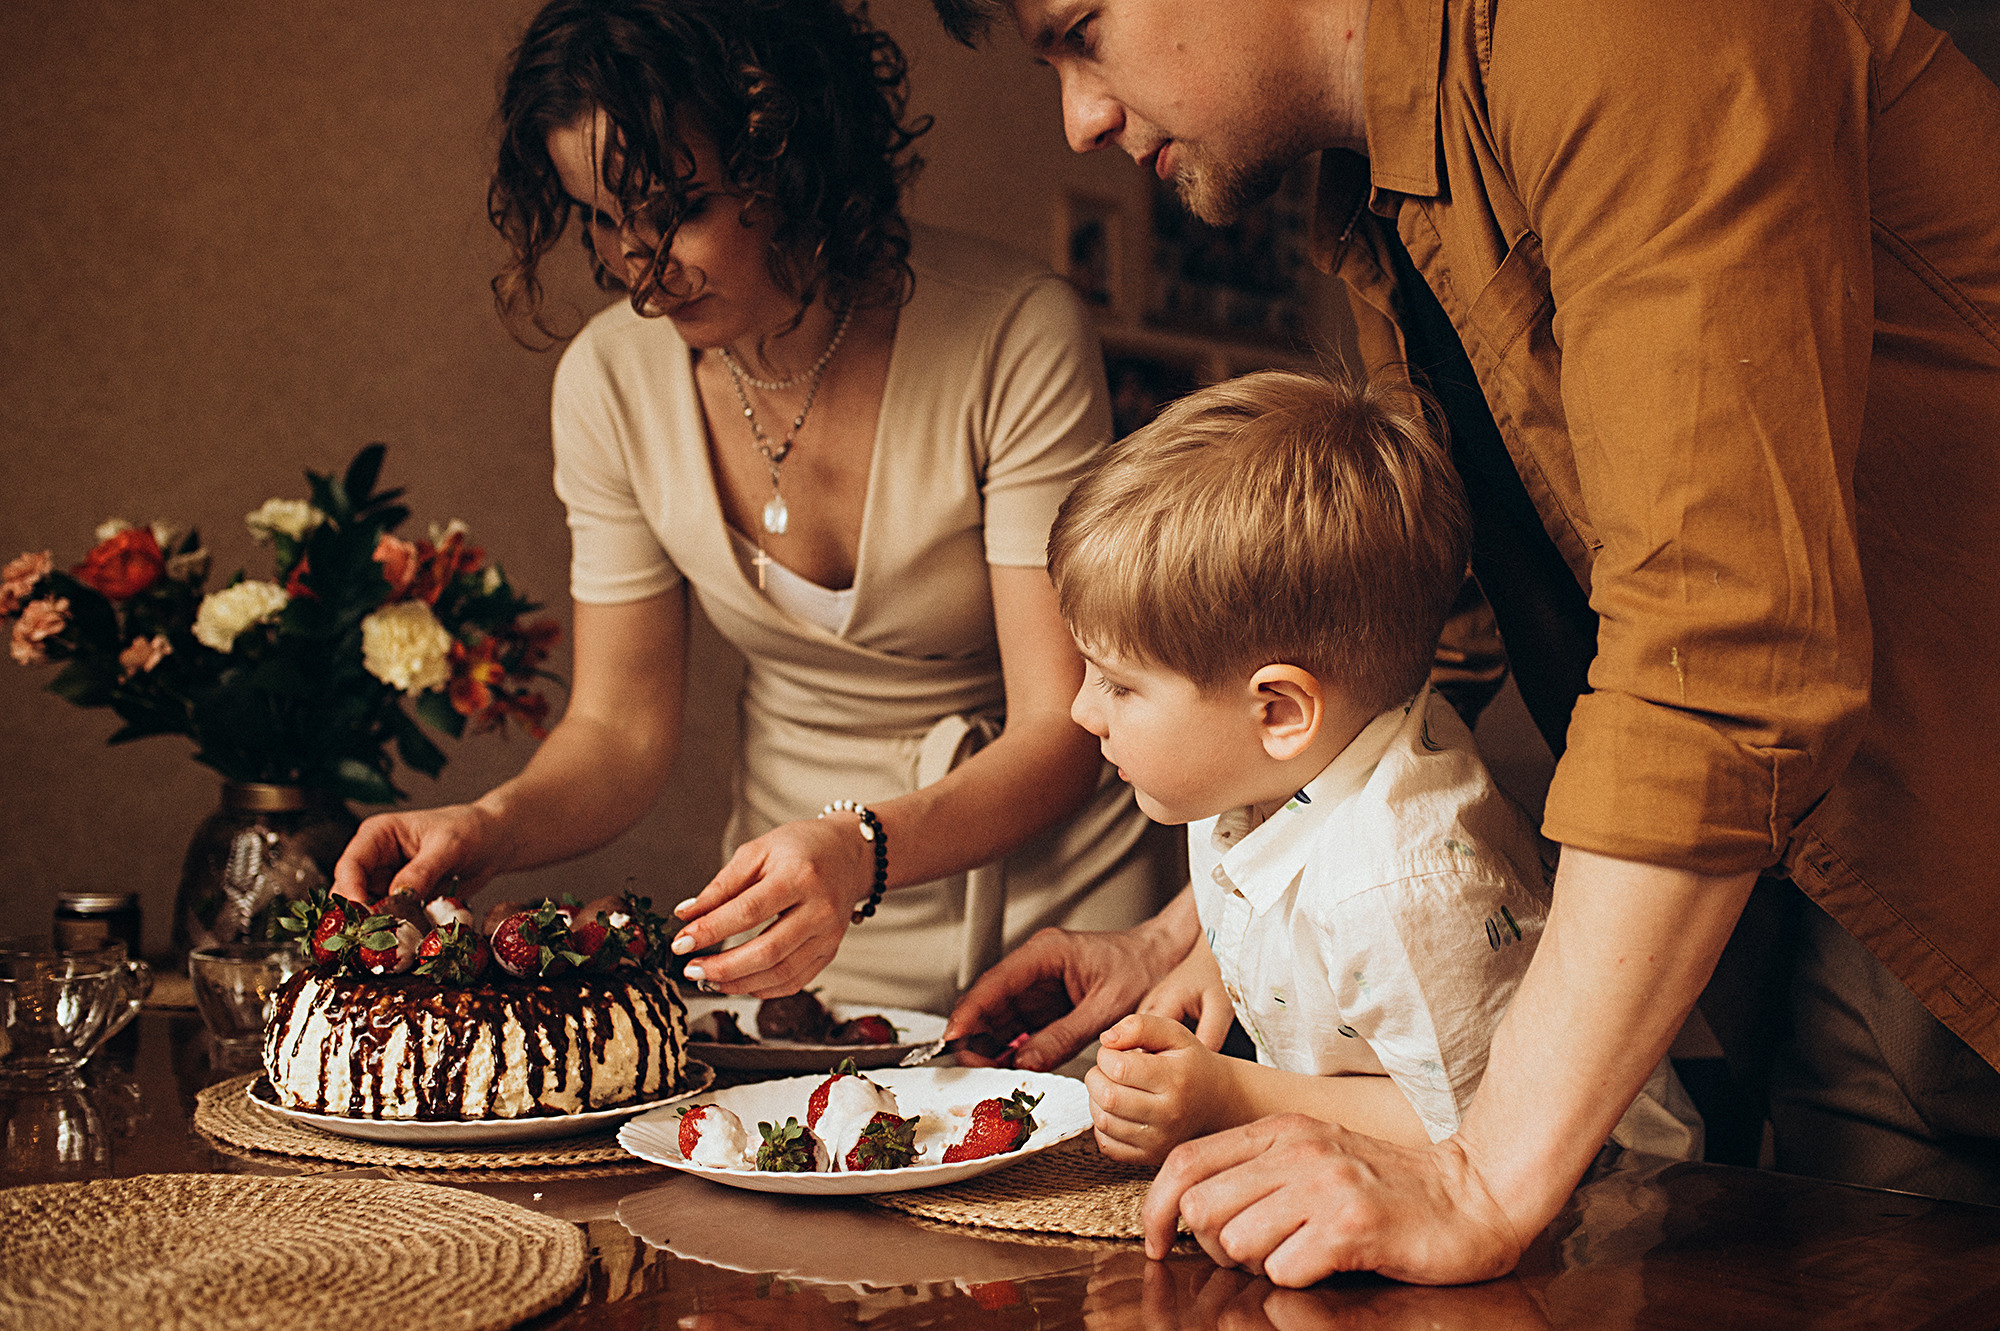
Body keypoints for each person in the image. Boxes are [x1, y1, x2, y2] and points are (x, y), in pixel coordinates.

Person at [933, 0, 2000, 1287]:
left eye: (1081, 29)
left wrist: (1477, 1175)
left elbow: (1717, 641)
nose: (1080, 118)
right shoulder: (1375, 194)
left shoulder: (1625, 30)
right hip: (1814, 884)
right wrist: (1196, 930)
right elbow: (1390, 648)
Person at [332, 0, 1181, 1015]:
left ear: (789, 154)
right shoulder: (608, 382)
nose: (639, 266)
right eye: (601, 217)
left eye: (675, 208)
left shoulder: (1014, 333)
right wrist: (490, 826)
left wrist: (859, 849)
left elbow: (1060, 729)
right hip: (797, 923)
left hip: (1051, 917)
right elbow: (617, 729)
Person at [1051, 369, 1698, 1167]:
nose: (1082, 710)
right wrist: (1218, 960)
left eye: (1118, 684)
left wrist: (1231, 1094)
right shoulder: (1254, 773)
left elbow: (1476, 1137)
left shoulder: (1393, 888)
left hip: (1609, 1197)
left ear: (1280, 712)